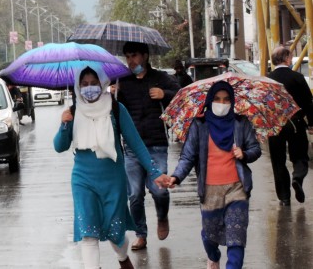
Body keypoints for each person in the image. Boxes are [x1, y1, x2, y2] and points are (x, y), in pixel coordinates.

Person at [54, 66, 170, 269]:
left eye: (93, 84)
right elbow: (59, 146)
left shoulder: (116, 109)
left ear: (103, 84)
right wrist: (64, 125)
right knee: (89, 233)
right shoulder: (73, 112)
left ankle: (123, 258)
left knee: (115, 233)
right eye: (84, 85)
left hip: (113, 180)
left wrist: (154, 172)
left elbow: (136, 143)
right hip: (83, 180)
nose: (89, 88)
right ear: (77, 87)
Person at [168, 81, 261, 269]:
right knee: (210, 236)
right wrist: (176, 177)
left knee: (237, 237)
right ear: (209, 100)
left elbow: (255, 148)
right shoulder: (199, 124)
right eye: (217, 99)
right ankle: (213, 255)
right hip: (209, 191)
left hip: (237, 189)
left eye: (226, 99)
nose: (222, 103)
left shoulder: (241, 123)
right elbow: (187, 156)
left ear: (232, 101)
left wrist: (244, 153)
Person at [116, 41, 181, 250]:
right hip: (132, 148)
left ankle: (162, 216)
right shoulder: (123, 81)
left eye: (134, 55)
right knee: (134, 194)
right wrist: (112, 95)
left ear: (145, 56)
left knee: (160, 190)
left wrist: (164, 94)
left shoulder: (161, 78)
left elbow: (181, 96)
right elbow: (116, 112)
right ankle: (141, 234)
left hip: (156, 145)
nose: (130, 60)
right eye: (127, 56)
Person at [266, 46, 313, 206]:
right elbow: (309, 103)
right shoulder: (297, 78)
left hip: (274, 125)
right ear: (287, 59)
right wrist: (311, 124)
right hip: (296, 123)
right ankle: (297, 178)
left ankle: (284, 197)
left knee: (278, 161)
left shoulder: (267, 80)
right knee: (300, 156)